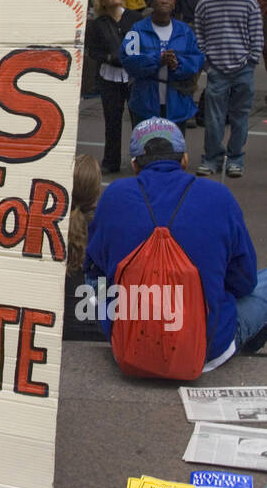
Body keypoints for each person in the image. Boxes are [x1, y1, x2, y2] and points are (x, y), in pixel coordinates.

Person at [85, 119, 267, 370]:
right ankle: (242, 355)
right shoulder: (219, 197)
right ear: (184, 160)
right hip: (206, 347)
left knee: (98, 283)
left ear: (136, 165)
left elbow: (95, 273)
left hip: (128, 344)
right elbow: (245, 281)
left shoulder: (114, 195)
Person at [194, 0, 264, 177]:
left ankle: (235, 159)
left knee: (240, 118)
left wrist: (251, 61)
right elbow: (199, 35)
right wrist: (207, 64)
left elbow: (257, 35)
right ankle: (212, 158)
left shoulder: (248, 2)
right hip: (217, 71)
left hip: (243, 69)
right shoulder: (205, 2)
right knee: (213, 120)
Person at [119, 0, 204, 133]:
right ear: (151, 1)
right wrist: (157, 60)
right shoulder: (138, 29)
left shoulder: (185, 31)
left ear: (174, 3)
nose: (164, 1)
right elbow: (128, 60)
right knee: (146, 151)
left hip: (177, 104)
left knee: (174, 151)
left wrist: (176, 64)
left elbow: (196, 60)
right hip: (145, 103)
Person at [85, 0, 140, 173]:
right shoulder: (98, 24)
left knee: (138, 119)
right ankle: (111, 161)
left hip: (133, 75)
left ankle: (140, 159)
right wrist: (108, 57)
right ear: (102, 1)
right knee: (112, 120)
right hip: (109, 76)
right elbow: (92, 50)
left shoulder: (134, 17)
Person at [63, 154, 102, 340]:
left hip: (61, 324)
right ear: (96, 190)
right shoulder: (106, 225)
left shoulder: (50, 224)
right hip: (98, 325)